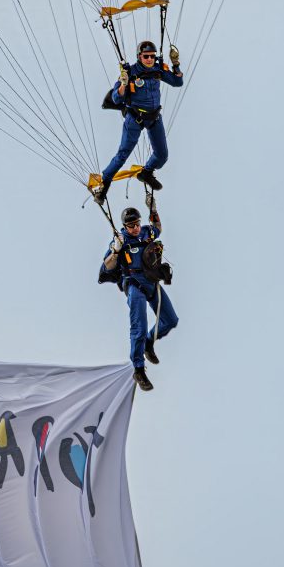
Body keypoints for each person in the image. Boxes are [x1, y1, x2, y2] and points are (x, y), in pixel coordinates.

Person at [99, 201, 178, 392]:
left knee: (170, 320)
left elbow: (157, 228)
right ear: (125, 226)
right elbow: (107, 265)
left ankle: (149, 342)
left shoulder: (146, 232)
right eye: (131, 225)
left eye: (137, 224)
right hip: (135, 285)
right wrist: (116, 250)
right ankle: (138, 369)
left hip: (152, 282)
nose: (135, 228)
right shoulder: (120, 240)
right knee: (139, 327)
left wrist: (153, 209)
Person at [93, 40, 183, 202]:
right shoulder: (130, 73)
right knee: (122, 155)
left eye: (152, 57)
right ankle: (104, 184)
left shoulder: (157, 69)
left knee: (162, 156)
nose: (150, 59)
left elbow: (178, 82)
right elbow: (115, 98)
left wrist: (175, 64)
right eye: (146, 56)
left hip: (154, 117)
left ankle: (146, 173)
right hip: (135, 119)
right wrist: (123, 84)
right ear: (139, 57)